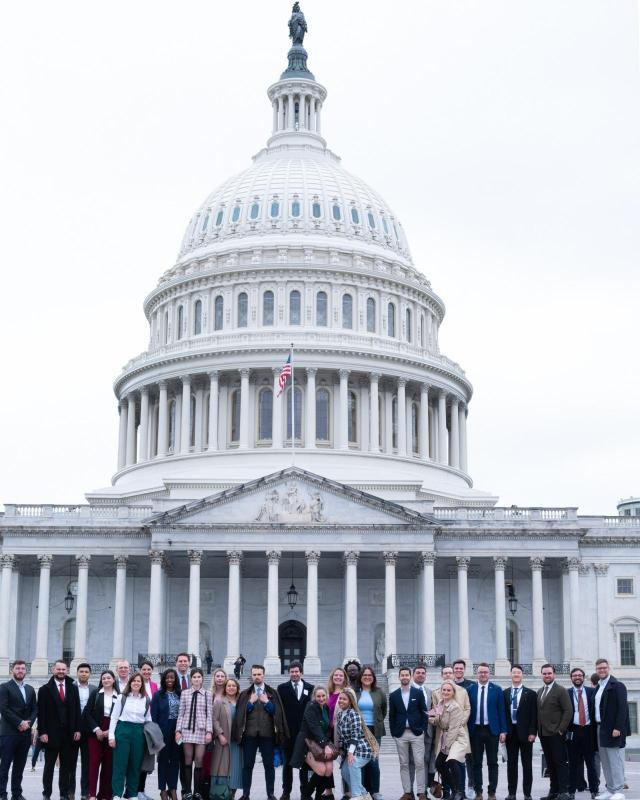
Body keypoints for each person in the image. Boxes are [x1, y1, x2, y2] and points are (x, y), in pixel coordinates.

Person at [232, 664, 289, 800]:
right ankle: (246, 794)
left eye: (259, 674)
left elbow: (278, 713)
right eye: (254, 674)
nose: (257, 677)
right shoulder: (245, 694)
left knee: (269, 766)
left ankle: (270, 794)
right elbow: (240, 714)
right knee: (248, 766)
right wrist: (250, 703)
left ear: (263, 675)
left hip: (267, 735)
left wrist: (267, 702)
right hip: (249, 736)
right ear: (251, 676)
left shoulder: (272, 693)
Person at [37, 659, 82, 800]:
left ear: (67, 671)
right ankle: (47, 793)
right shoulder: (44, 689)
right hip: (51, 734)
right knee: (49, 767)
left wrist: (77, 729)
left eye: (64, 669)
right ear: (53, 670)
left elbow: (76, 711)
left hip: (69, 735)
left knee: (66, 767)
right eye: (58, 669)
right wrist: (42, 732)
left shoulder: (73, 688)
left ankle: (63, 794)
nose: (61, 672)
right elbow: (41, 713)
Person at [108, 672, 151, 800]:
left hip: (139, 732)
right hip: (123, 730)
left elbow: (148, 719)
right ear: (130, 683)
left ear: (142, 684)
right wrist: (111, 736)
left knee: (135, 765)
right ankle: (117, 794)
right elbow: (114, 717)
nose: (136, 683)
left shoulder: (146, 699)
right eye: (134, 681)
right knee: (120, 764)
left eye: (139, 681)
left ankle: (132, 794)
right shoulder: (123, 697)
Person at [467, 663, 506, 800]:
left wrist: (503, 731)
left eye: (485, 672)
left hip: (492, 731)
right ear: (476, 674)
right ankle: (478, 792)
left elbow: (501, 711)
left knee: (492, 762)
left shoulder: (497, 689)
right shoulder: (470, 689)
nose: (483, 674)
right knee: (476, 763)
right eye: (480, 672)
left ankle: (492, 792)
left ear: (489, 674)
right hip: (475, 731)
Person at [388, 667, 428, 800]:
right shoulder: (394, 695)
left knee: (419, 763)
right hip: (401, 734)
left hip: (416, 733)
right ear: (399, 677)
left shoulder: (417, 693)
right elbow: (391, 716)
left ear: (410, 677)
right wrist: (394, 733)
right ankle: (407, 792)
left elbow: (424, 712)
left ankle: (421, 792)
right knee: (404, 764)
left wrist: (422, 728)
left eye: (407, 675)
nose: (404, 677)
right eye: (402, 675)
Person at [0, 659, 37, 800]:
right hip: (9, 733)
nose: (20, 671)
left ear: (25, 671)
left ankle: (17, 794)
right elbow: (4, 708)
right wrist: (19, 722)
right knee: (4, 767)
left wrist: (28, 723)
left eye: (22, 668)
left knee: (19, 767)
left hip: (24, 734)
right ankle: (2, 794)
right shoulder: (4, 687)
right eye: (17, 668)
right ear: (12, 671)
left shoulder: (30, 689)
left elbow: (35, 709)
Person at [594, 658, 630, 800]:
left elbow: (623, 709)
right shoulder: (598, 687)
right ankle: (610, 789)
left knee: (614, 760)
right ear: (596, 670)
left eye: (604, 667)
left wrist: (618, 727)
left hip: (612, 729)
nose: (601, 670)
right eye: (599, 668)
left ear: (609, 668)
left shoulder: (618, 685)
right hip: (600, 728)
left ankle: (619, 790)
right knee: (605, 760)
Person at [428, 680, 471, 800]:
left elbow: (453, 728)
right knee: (439, 764)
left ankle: (458, 792)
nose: (445, 692)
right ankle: (454, 789)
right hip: (446, 735)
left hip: (457, 737)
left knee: (452, 760)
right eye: (444, 690)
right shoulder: (440, 703)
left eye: (448, 690)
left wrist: (447, 745)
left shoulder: (455, 707)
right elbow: (438, 720)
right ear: (441, 691)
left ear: (453, 693)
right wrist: (431, 719)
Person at [290, 686, 334, 800]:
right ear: (314, 697)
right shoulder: (310, 707)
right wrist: (325, 745)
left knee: (329, 770)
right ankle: (306, 795)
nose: (321, 698)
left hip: (321, 743)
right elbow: (314, 727)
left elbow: (327, 729)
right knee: (321, 770)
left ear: (326, 696)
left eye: (323, 696)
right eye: (318, 696)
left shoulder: (326, 708)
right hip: (307, 744)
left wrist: (328, 744)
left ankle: (319, 796)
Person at [278, 661, 314, 800]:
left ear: (301, 672)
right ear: (289, 673)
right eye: (292, 672)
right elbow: (279, 711)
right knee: (287, 766)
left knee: (304, 765)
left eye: (296, 671)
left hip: (304, 734)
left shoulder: (310, 688)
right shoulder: (282, 688)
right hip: (288, 734)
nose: (294, 674)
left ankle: (305, 793)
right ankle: (286, 792)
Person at [175, 669, 213, 800]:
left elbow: (209, 715)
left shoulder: (208, 694)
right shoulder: (185, 693)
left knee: (199, 760)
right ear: (191, 679)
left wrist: (209, 731)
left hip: (201, 731)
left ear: (202, 679)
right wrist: (178, 731)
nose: (197, 679)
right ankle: (187, 791)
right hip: (186, 730)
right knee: (187, 760)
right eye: (194, 677)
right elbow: (181, 713)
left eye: (199, 677)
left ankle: (198, 791)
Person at [537, 663, 572, 800]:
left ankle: (564, 791)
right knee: (550, 764)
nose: (547, 675)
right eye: (544, 673)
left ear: (554, 674)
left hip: (556, 734)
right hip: (544, 734)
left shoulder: (560, 690)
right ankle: (554, 791)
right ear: (542, 675)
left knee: (560, 763)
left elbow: (568, 711)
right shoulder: (540, 691)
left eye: (549, 673)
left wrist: (561, 730)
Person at [83, 669, 119, 800]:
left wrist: (111, 731)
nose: (106, 680)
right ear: (101, 681)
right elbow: (86, 713)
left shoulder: (119, 696)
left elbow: (121, 716)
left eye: (109, 678)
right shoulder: (96, 694)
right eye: (104, 678)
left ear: (113, 680)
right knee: (94, 763)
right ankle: (92, 794)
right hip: (95, 733)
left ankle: (105, 794)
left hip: (111, 731)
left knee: (109, 765)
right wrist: (96, 729)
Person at [335, 689, 377, 800]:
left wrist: (350, 753)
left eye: (344, 699)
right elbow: (342, 736)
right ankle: (365, 796)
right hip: (350, 749)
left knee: (353, 764)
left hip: (362, 749)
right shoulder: (339, 715)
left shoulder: (354, 714)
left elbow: (355, 735)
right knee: (344, 771)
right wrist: (340, 749)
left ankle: (357, 796)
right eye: (340, 698)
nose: (341, 701)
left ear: (350, 701)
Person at [503, 664, 537, 800]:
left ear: (522, 675)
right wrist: (503, 732)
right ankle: (512, 793)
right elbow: (503, 714)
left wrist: (533, 732)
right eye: (514, 672)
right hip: (511, 733)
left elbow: (534, 716)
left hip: (526, 734)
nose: (516, 675)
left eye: (518, 672)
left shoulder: (531, 693)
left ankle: (527, 794)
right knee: (511, 765)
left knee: (527, 764)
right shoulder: (504, 693)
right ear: (510, 675)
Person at [566, 668, 599, 800]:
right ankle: (572, 791)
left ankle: (594, 790)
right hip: (573, 731)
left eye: (580, 675)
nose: (577, 677)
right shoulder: (566, 693)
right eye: (575, 675)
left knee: (591, 764)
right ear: (571, 678)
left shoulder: (592, 691)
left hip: (588, 730)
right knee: (573, 764)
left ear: (584, 677)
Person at [356, 666, 386, 800]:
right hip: (359, 729)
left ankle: (375, 791)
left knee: (374, 761)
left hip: (375, 730)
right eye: (364, 675)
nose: (367, 677)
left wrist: (377, 721)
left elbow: (383, 710)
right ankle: (362, 791)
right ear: (360, 677)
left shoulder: (379, 692)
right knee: (361, 760)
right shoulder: (355, 692)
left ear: (373, 678)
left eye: (370, 675)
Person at [151, 669, 182, 800]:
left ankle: (173, 789)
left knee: (175, 761)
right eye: (167, 678)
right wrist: (157, 735)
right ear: (164, 679)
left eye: (172, 678)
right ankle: (163, 789)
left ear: (176, 679)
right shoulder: (158, 695)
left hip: (178, 730)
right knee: (163, 760)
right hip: (163, 730)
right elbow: (153, 716)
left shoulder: (181, 694)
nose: (170, 680)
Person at [211, 678, 242, 800]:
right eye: (229, 685)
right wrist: (219, 735)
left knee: (235, 768)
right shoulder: (219, 701)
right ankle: (221, 794)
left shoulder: (240, 702)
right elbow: (214, 719)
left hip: (237, 742)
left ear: (237, 688)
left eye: (234, 686)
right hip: (224, 740)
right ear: (225, 687)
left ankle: (232, 794)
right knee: (222, 768)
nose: (231, 688)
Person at [71, 663, 99, 800]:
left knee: (87, 764)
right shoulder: (71, 687)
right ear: (77, 673)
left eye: (86, 671)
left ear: (90, 674)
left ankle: (85, 792)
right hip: (73, 731)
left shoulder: (94, 689)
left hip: (89, 731)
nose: (83, 673)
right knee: (70, 763)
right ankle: (70, 792)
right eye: (81, 671)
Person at [409, 665, 435, 794]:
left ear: (425, 676)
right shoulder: (407, 691)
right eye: (418, 672)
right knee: (412, 762)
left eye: (423, 673)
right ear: (413, 675)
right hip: (413, 732)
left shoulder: (429, 692)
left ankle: (422, 791)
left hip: (428, 732)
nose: (420, 675)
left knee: (425, 761)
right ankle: (409, 792)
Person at [452, 659, 475, 795]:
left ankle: (471, 786)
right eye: (457, 668)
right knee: (454, 760)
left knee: (469, 758)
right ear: (453, 670)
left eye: (461, 668)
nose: (459, 670)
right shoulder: (448, 685)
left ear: (464, 670)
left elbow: (471, 707)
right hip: (451, 729)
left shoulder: (471, 686)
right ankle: (457, 788)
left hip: (467, 727)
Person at [137, 662, 158, 800]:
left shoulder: (155, 685)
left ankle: (141, 790)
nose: (146, 672)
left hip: (150, 726)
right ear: (140, 670)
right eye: (144, 669)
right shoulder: (136, 683)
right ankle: (134, 790)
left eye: (149, 669)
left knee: (146, 760)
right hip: (137, 725)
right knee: (136, 759)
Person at [174, 654, 192, 798]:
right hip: (175, 726)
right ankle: (183, 790)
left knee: (190, 760)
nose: (183, 663)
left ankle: (189, 790)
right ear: (176, 663)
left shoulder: (194, 680)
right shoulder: (171, 679)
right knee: (180, 759)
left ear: (189, 663)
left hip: (192, 727)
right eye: (180, 661)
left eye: (185, 661)